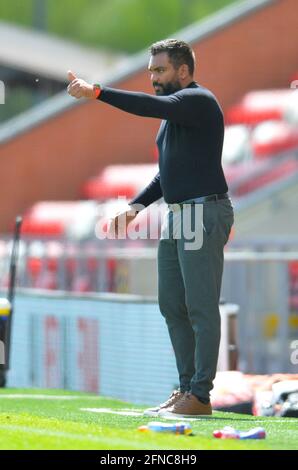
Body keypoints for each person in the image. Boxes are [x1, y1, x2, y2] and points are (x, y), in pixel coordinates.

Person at [67, 38, 234, 418]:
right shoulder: (176, 114)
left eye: (160, 70)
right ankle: (187, 388)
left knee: (199, 307)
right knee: (172, 304)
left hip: (202, 211)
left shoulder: (198, 100)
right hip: (179, 214)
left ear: (184, 71)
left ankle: (201, 396)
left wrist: (97, 92)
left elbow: (148, 106)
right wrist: (134, 207)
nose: (154, 78)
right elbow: (167, 173)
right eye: (151, 72)